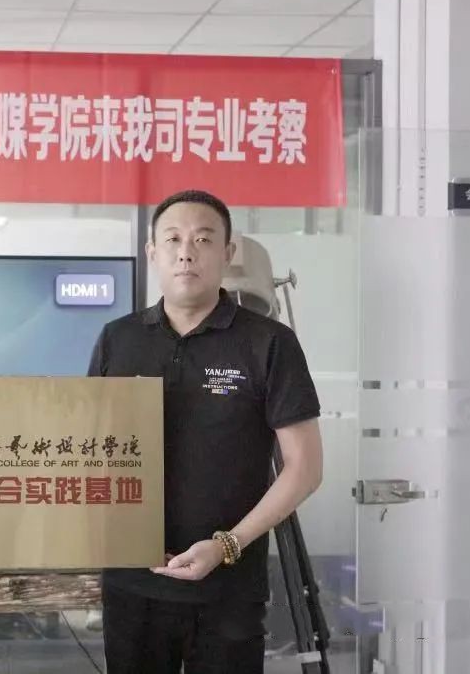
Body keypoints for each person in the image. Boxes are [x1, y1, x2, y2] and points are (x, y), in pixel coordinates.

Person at [87, 190, 324, 673]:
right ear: (152, 253)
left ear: (227, 252)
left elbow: (305, 469)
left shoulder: (269, 343)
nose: (186, 252)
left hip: (229, 591)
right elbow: (89, 451)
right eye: (173, 239)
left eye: (203, 239)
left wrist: (226, 545)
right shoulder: (118, 338)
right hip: (132, 588)